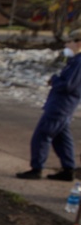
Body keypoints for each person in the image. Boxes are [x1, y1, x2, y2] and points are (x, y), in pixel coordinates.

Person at [15, 28, 81, 181]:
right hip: (62, 105)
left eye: (69, 41)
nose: (66, 44)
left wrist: (55, 80)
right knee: (61, 138)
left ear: (78, 43)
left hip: (61, 105)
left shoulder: (78, 63)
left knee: (42, 135)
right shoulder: (74, 62)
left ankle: (36, 168)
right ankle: (68, 169)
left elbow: (69, 86)